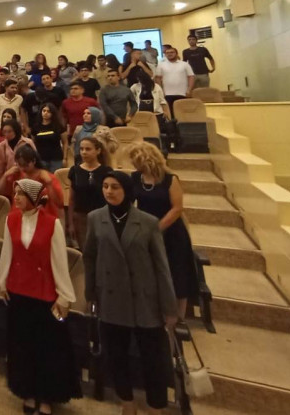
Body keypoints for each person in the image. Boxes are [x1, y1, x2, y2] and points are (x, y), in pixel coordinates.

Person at [83, 171, 178, 415]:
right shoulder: (95, 218)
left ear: (126, 191)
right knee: (116, 356)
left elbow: (161, 267)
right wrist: (91, 292)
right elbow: (90, 257)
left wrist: (169, 307)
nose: (109, 191)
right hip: (111, 298)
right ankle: (127, 402)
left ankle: (156, 406)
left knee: (153, 359)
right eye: (105, 186)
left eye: (115, 187)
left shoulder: (148, 222)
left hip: (144, 300)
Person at [0, 179, 80, 414]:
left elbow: (59, 261)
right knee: (21, 345)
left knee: (46, 347)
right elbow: (7, 252)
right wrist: (2, 281)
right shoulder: (10, 219)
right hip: (18, 289)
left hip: (43, 293)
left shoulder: (52, 224)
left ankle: (46, 396)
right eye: (15, 193)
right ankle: (28, 391)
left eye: (21, 194)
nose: (16, 198)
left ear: (33, 197)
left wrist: (64, 296)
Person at [127, 142, 198, 319]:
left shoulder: (170, 179)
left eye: (135, 160)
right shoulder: (135, 178)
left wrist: (157, 228)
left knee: (177, 273)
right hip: (146, 230)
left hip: (171, 231)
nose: (133, 164)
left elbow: (177, 208)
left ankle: (179, 317)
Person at [68, 137, 113, 250]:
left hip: (101, 217)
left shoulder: (106, 171)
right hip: (81, 217)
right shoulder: (75, 171)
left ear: (98, 151)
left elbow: (110, 197)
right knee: (86, 250)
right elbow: (72, 198)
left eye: (88, 149)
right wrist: (70, 223)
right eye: (81, 149)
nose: (84, 152)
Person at [154, 47, 195, 119]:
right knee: (170, 114)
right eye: (167, 53)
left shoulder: (184, 64)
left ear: (176, 53)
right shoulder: (161, 65)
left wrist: (189, 89)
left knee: (182, 114)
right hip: (167, 94)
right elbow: (158, 78)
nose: (169, 54)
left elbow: (191, 77)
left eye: (172, 52)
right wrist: (161, 91)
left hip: (182, 93)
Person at [0, 120, 36, 184]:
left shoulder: (27, 142)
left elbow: (36, 160)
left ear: (16, 130)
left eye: (9, 131)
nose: (7, 134)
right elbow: (0, 167)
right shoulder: (2, 146)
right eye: (4, 132)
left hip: (27, 178)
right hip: (10, 178)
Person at [31, 103, 66, 172]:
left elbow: (65, 142)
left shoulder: (58, 126)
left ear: (52, 113)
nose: (46, 113)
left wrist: (65, 158)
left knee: (55, 177)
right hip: (41, 158)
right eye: (44, 111)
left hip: (56, 158)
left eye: (48, 111)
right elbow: (33, 143)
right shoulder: (36, 127)